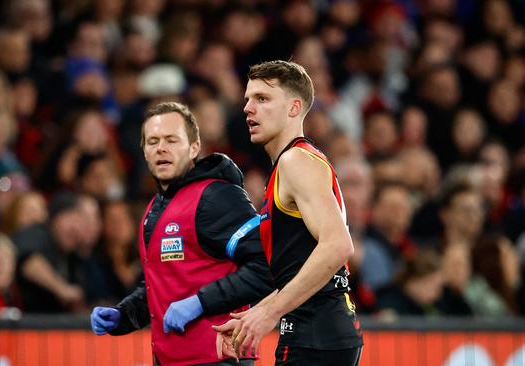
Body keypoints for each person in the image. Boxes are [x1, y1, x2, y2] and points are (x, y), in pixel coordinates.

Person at [89, 102, 273, 365]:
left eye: (171, 140)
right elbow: (164, 285)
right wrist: (124, 315)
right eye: (152, 141)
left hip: (219, 359)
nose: (161, 148)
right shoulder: (154, 209)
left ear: (194, 147)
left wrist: (200, 303)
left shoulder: (217, 197)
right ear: (143, 151)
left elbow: (266, 265)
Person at [213, 60, 363, 365]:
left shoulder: (295, 161)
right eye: (247, 99)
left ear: (294, 108)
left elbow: (337, 245)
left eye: (262, 99)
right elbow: (304, 267)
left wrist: (270, 311)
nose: (248, 109)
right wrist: (254, 316)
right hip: (319, 331)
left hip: (316, 335)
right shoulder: (295, 162)